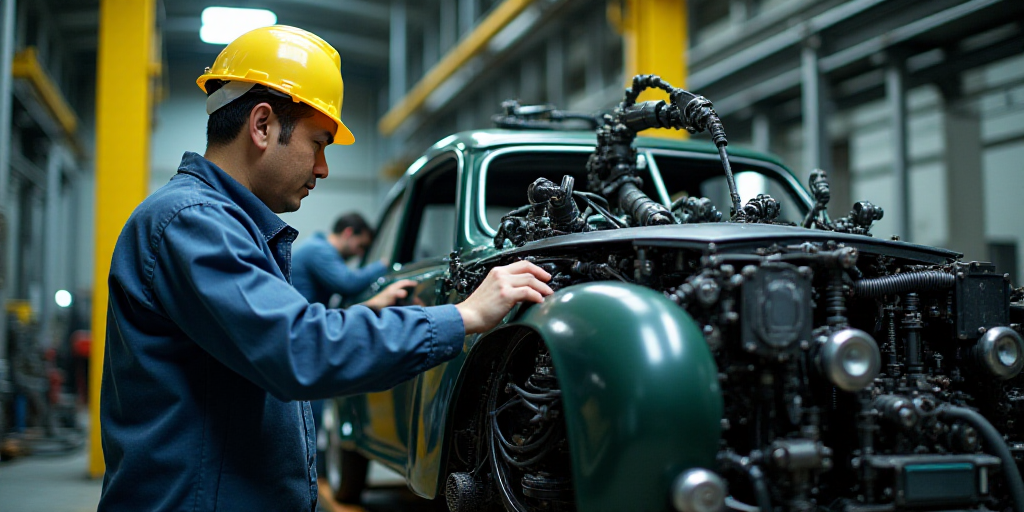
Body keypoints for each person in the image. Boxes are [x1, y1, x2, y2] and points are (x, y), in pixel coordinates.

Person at [98, 26, 552, 511]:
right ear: (262, 125)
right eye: (319, 143)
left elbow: (271, 333)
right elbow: (297, 347)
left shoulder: (227, 225)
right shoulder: (190, 222)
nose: (323, 168)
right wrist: (462, 317)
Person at [291, 212, 387, 307]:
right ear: (348, 233)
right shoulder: (319, 250)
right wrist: (382, 265)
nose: (360, 253)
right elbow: (348, 283)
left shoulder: (317, 244)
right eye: (361, 246)